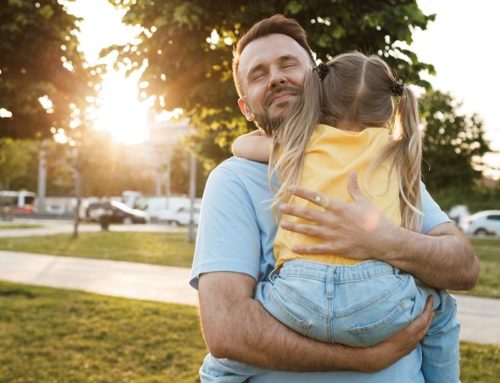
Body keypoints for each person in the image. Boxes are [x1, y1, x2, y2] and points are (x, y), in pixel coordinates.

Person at [191, 14, 479, 382]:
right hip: (380, 321)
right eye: (258, 74)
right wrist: (364, 358)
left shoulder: (384, 166)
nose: (276, 77)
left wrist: (385, 240)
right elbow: (227, 330)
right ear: (246, 107)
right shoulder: (233, 180)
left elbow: (464, 267)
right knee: (439, 308)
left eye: (288, 64)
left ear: (319, 80)